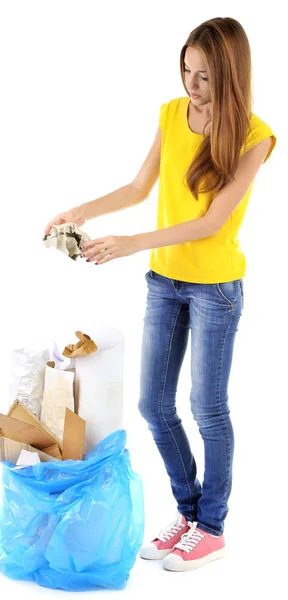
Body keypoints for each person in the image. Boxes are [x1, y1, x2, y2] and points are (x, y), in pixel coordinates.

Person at [44, 17, 276, 571]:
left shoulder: (255, 136)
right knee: (153, 404)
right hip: (165, 283)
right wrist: (79, 212)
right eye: (187, 71)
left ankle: (212, 526)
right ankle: (189, 513)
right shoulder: (173, 114)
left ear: (232, 75)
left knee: (207, 407)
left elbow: (211, 223)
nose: (192, 86)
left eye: (205, 76)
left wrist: (129, 243)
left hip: (215, 287)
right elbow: (138, 187)